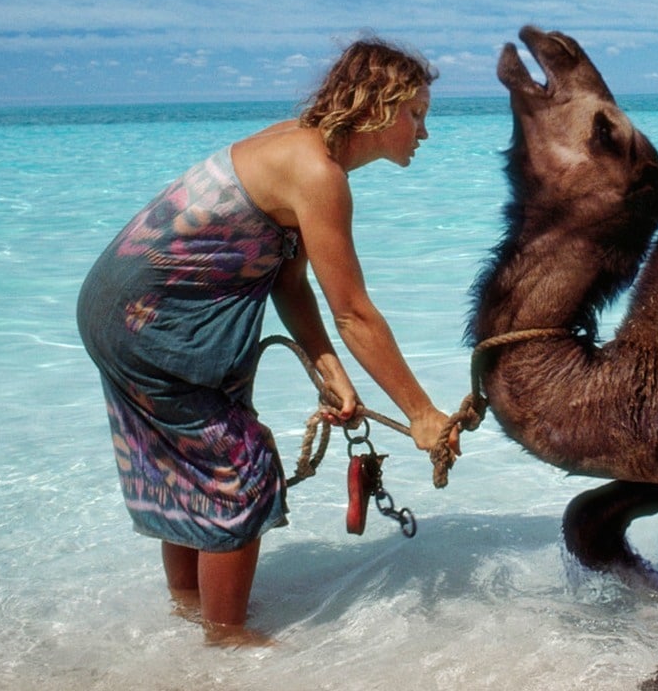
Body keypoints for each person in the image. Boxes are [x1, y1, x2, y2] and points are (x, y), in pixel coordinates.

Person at [76, 36, 462, 645]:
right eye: (417, 114)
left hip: (117, 311)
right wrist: (421, 414)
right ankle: (227, 641)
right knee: (239, 466)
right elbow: (355, 313)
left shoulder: (300, 147)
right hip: (153, 327)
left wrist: (327, 368)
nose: (423, 132)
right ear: (380, 107)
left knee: (186, 467)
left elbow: (288, 275)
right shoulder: (319, 174)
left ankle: (188, 610)